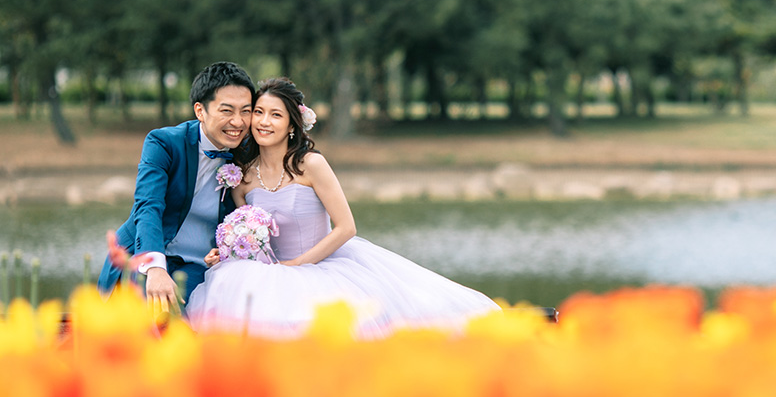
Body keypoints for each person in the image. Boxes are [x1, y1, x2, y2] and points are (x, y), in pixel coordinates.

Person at [186, 77, 500, 338]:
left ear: (292, 125)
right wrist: (227, 252)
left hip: (322, 265)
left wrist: (298, 265)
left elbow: (346, 227)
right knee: (235, 300)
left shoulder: (311, 165)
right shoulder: (241, 177)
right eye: (258, 112)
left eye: (276, 115)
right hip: (270, 272)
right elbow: (249, 236)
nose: (264, 122)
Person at [98, 62, 256, 315]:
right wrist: (155, 267)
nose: (238, 122)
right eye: (227, 110)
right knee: (134, 318)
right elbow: (147, 206)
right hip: (143, 253)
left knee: (182, 317)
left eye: (246, 111)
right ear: (200, 111)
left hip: (198, 263)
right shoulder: (164, 143)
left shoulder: (249, 152)